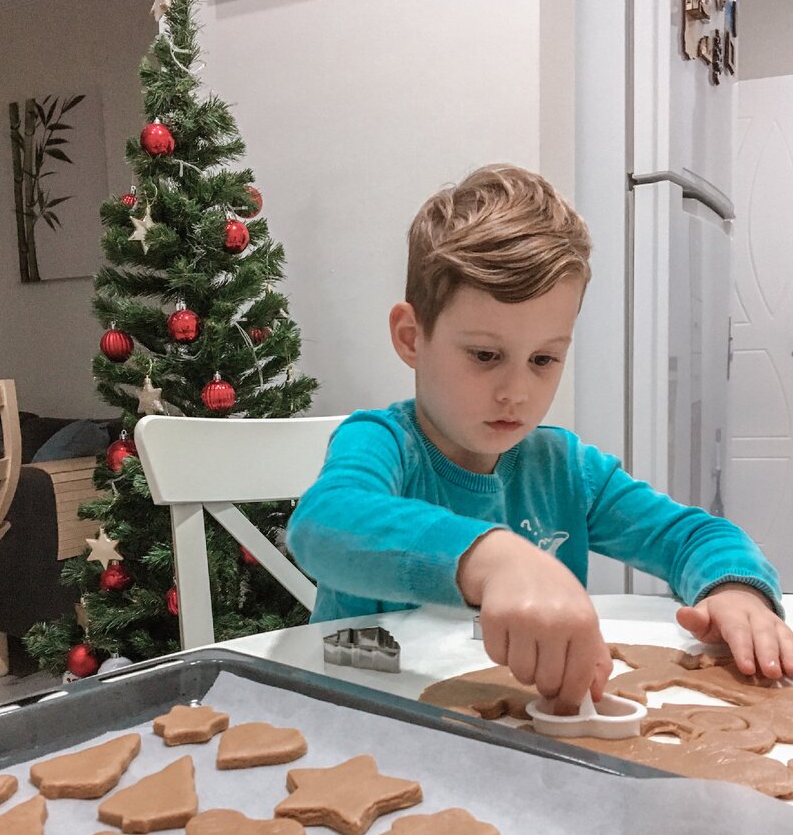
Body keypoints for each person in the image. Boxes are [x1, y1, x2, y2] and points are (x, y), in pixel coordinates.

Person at [287, 163, 792, 710]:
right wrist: (493, 559)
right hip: (364, 704)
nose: (516, 391)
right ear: (413, 337)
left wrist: (734, 588)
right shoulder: (384, 443)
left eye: (544, 359)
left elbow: (689, 535)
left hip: (515, 724)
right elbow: (322, 525)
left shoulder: (567, 470)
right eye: (485, 355)